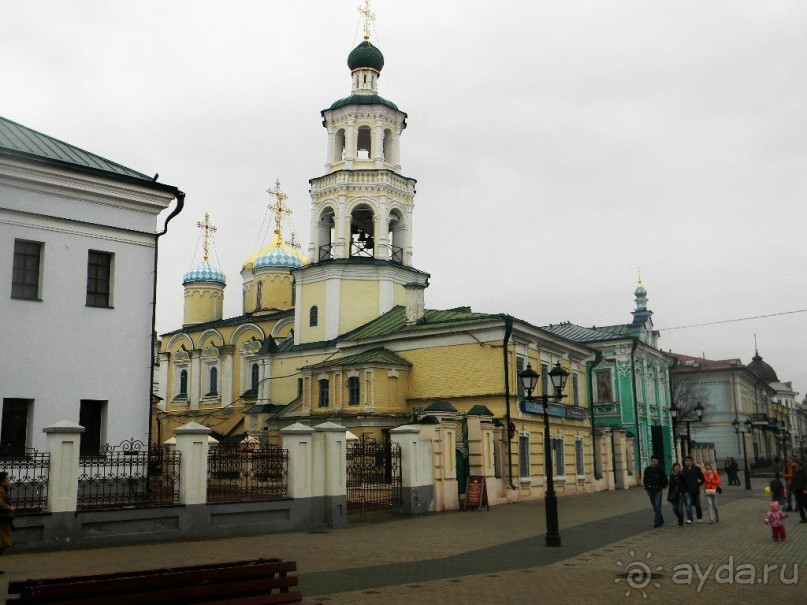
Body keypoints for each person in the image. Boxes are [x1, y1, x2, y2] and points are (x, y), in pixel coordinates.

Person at [642, 456, 668, 528]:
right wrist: (647, 487)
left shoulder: (660, 470)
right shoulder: (647, 470)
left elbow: (665, 479)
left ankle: (657, 522)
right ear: (651, 461)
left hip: (658, 491)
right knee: (655, 506)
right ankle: (661, 519)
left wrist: (662, 486)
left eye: (656, 462)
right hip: (650, 491)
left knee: (657, 505)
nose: (655, 463)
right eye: (654, 461)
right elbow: (645, 480)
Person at [681, 456, 704, 523]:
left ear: (692, 461)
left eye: (689, 461)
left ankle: (699, 517)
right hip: (687, 490)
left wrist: (700, 481)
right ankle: (689, 518)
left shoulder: (696, 468)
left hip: (696, 489)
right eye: (686, 461)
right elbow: (682, 481)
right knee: (688, 505)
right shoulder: (683, 470)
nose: (688, 462)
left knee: (698, 504)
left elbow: (702, 477)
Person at [0, 472, 14, 573]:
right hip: (2, 520)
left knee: (4, 543)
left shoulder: (3, 488)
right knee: (4, 543)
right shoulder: (0, 489)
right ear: (3, 480)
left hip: (3, 521)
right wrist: (9, 507)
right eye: (7, 478)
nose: (9, 479)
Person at [667, 462, 687, 527]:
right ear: (673, 468)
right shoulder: (671, 476)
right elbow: (670, 486)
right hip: (674, 494)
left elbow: (685, 484)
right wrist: (669, 495)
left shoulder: (682, 475)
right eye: (675, 467)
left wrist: (682, 491)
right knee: (674, 508)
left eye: (678, 467)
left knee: (680, 508)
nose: (676, 468)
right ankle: (680, 518)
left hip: (681, 494)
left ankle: (680, 522)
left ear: (679, 468)